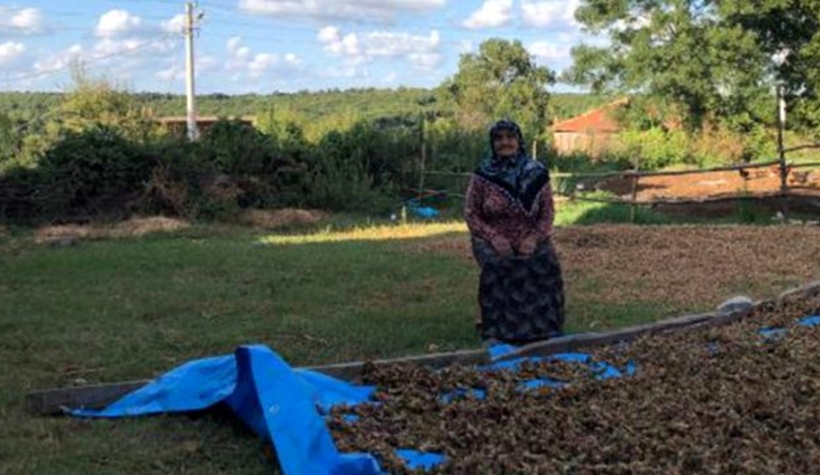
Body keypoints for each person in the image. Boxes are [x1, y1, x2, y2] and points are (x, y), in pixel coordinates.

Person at [464, 119, 565, 344]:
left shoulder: (537, 173)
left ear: (519, 141)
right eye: (498, 138)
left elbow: (547, 214)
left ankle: (542, 328)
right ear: (492, 143)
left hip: (531, 237)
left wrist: (534, 238)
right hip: (491, 238)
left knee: (546, 264)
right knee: (498, 266)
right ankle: (497, 330)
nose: (504, 142)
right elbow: (471, 213)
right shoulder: (482, 175)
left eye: (510, 137)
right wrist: (494, 237)